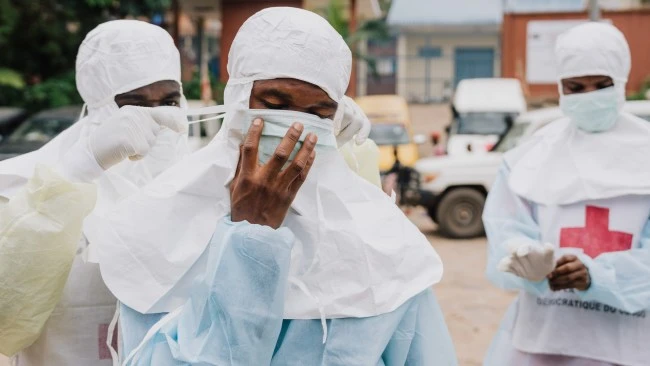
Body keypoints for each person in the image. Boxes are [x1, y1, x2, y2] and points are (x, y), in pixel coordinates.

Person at [84, 7, 458, 365]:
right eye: (274, 104)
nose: (293, 129)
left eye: (316, 115)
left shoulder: (383, 244)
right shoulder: (158, 231)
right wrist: (251, 237)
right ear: (237, 98)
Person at [0, 20, 190, 365]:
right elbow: (6, 323)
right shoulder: (18, 183)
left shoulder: (198, 181)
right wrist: (80, 171)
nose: (155, 116)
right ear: (100, 103)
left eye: (169, 100)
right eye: (133, 103)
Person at [483, 22, 650, 366]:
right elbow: (506, 233)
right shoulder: (528, 158)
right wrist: (526, 262)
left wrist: (597, 276)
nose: (589, 96)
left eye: (601, 86)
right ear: (560, 87)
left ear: (621, 83)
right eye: (576, 87)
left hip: (627, 342)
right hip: (545, 341)